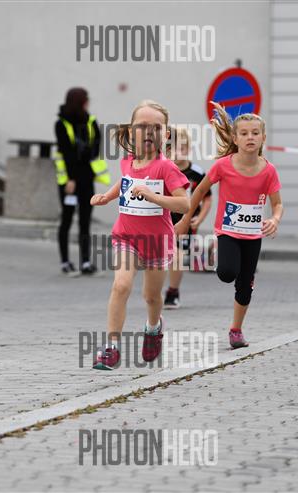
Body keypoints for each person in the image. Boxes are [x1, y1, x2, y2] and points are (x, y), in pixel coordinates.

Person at [89, 100, 189, 370]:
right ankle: (111, 347)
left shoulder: (166, 168)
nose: (149, 132)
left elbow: (184, 204)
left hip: (157, 241)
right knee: (121, 285)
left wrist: (154, 197)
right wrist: (108, 196)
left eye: (156, 127)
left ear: (165, 134)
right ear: (131, 131)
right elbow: (125, 181)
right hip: (127, 237)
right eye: (142, 126)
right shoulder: (128, 161)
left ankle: (153, 328)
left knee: (151, 297)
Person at [176, 102, 283, 349]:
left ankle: (236, 330)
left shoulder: (269, 171)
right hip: (228, 231)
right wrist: (185, 220)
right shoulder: (223, 165)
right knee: (226, 273)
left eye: (255, 133)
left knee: (245, 286)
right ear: (235, 138)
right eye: (244, 133)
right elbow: (199, 191)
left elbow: (277, 204)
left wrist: (275, 219)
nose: (250, 137)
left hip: (253, 236)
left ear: (263, 138)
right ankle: (224, 262)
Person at [54, 87, 110, 276]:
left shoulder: (90, 121)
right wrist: (71, 179)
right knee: (67, 219)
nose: (88, 102)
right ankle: (65, 262)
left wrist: (85, 151)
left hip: (86, 178)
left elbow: (96, 146)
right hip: (69, 181)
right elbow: (67, 153)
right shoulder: (61, 124)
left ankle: (85, 262)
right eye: (86, 99)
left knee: (85, 221)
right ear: (80, 102)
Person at [163, 127, 212, 309]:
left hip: (186, 222)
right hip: (163, 219)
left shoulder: (197, 172)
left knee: (177, 255)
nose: (177, 153)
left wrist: (199, 219)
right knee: (160, 257)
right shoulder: (163, 168)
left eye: (182, 148)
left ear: (188, 149)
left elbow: (207, 199)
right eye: (173, 149)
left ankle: (173, 292)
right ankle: (152, 291)